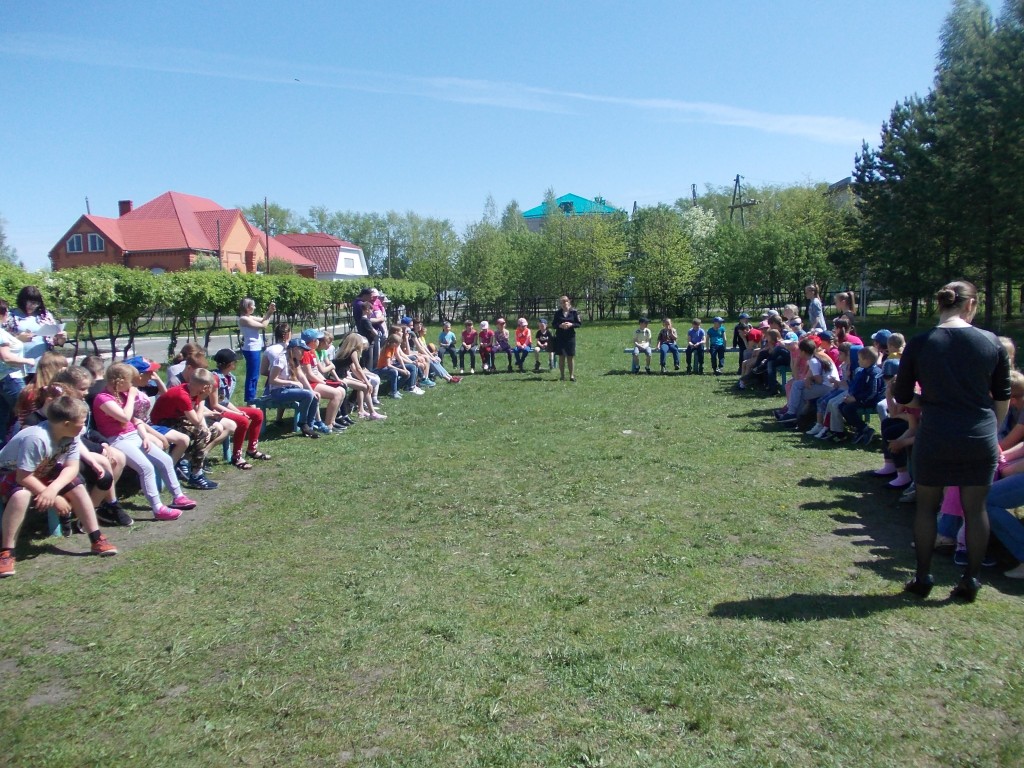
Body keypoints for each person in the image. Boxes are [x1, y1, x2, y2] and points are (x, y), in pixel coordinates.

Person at [895, 280, 1011, 602]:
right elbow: (1002, 395)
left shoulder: (921, 343)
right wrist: (993, 428)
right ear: (971, 304)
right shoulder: (991, 342)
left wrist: (930, 403)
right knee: (975, 510)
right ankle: (970, 580)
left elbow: (903, 395)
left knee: (926, 507)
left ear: (940, 304)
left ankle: (922, 578)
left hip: (936, 434)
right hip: (978, 434)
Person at [0, 396, 118, 577]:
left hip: (42, 468)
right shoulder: (36, 438)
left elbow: (72, 467)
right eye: (81, 422)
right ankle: (7, 552)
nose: (84, 426)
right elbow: (23, 477)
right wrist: (54, 498)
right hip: (11, 471)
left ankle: (96, 538)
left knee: (77, 487)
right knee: (20, 496)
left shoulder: (71, 435)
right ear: (66, 423)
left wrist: (53, 490)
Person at [93, 363, 197, 520]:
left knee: (166, 460)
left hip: (133, 435)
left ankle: (178, 497)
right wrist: (131, 396)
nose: (132, 385)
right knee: (146, 467)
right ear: (120, 381)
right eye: (130, 381)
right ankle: (158, 508)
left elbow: (135, 420)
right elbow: (124, 417)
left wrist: (145, 436)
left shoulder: (121, 395)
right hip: (117, 439)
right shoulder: (103, 398)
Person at [150, 367, 223, 489]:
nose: (210, 389)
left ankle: (184, 460)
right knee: (202, 434)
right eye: (209, 386)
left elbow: (196, 417)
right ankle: (196, 475)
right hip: (162, 423)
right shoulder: (182, 395)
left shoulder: (192, 391)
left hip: (177, 420)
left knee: (212, 431)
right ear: (204, 387)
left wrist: (204, 428)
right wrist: (202, 399)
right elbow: (196, 420)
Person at [210, 349, 270, 468]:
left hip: (223, 408)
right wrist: (237, 414)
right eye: (234, 362)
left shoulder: (230, 378)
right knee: (243, 421)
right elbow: (215, 405)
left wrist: (238, 411)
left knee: (257, 413)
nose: (236, 363)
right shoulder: (215, 378)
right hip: (214, 411)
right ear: (229, 364)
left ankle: (252, 449)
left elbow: (225, 401)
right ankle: (236, 456)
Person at [774, 337, 839, 422]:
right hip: (827, 384)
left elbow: (819, 380)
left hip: (828, 386)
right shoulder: (816, 357)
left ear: (803, 352)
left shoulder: (813, 361)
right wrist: (808, 379)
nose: (798, 353)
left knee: (801, 393)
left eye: (799, 351)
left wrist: (810, 379)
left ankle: (795, 417)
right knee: (796, 384)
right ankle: (791, 413)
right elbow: (810, 377)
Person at [3, 285, 67, 370]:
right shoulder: (10, 316)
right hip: (17, 367)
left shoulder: (45, 316)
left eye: (36, 303)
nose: (33, 306)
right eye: (30, 302)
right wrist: (18, 339)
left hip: (43, 366)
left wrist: (61, 339)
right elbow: (2, 340)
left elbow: (54, 341)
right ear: (22, 300)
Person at [0, 300, 35, 440]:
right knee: (26, 412)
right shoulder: (1, 334)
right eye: (7, 311)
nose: (8, 314)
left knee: (3, 416)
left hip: (4, 379)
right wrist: (28, 361)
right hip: (11, 378)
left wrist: (18, 340)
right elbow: (6, 357)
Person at [238, 298, 276, 405]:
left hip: (255, 349)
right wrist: (269, 313)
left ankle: (252, 399)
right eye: (253, 305)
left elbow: (263, 319)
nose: (254, 307)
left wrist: (270, 311)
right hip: (251, 349)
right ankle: (250, 400)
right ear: (247, 307)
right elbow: (263, 325)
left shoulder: (249, 317)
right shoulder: (243, 319)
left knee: (255, 375)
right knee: (252, 376)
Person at [553, 296, 581, 382]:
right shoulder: (558, 313)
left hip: (570, 337)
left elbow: (578, 324)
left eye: (565, 302)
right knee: (561, 356)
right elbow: (554, 324)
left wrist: (571, 324)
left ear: (569, 302)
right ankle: (562, 376)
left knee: (570, 356)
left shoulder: (574, 312)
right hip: (560, 337)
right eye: (562, 302)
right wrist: (560, 325)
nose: (564, 304)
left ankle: (571, 376)